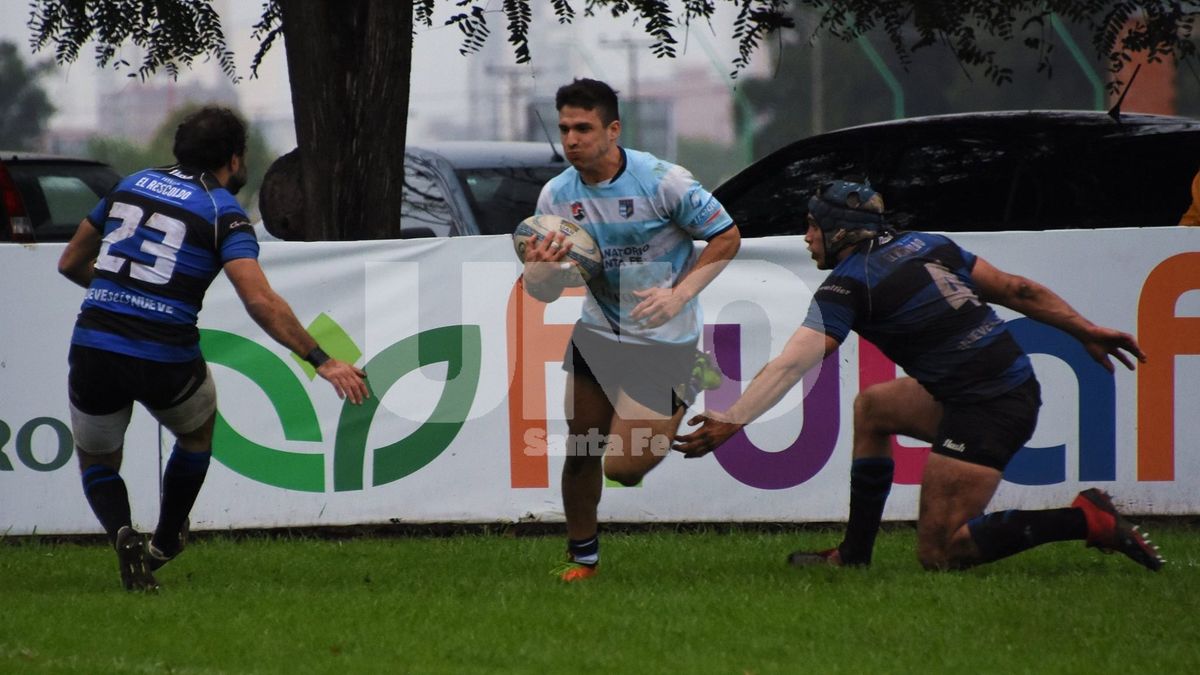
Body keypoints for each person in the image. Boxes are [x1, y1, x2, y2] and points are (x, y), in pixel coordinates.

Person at [674, 180, 1165, 573]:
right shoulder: (928, 243)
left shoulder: (847, 286)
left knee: (941, 552)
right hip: (996, 386)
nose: (806, 237)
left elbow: (791, 363)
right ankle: (854, 555)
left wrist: (733, 419)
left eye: (812, 226)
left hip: (988, 408)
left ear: (840, 232)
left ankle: (1084, 518)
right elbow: (1019, 289)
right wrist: (1087, 330)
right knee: (874, 408)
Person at [58, 106, 370, 591]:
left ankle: (122, 532)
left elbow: (71, 260)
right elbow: (260, 301)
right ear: (234, 159)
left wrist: (116, 297)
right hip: (164, 352)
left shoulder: (132, 184)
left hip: (94, 341)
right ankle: (165, 540)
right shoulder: (223, 210)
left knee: (98, 460)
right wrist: (322, 361)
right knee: (196, 434)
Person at [523, 78, 741, 581]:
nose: (571, 139)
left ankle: (692, 380)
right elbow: (543, 292)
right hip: (597, 333)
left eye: (583, 127)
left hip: (665, 341)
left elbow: (726, 237)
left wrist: (679, 294)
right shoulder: (556, 195)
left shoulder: (663, 181)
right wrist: (539, 270)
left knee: (623, 469)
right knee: (581, 449)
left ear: (613, 129)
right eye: (564, 129)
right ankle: (583, 560)